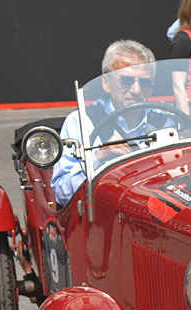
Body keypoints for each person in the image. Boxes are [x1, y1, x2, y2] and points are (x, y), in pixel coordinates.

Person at [51, 41, 158, 206]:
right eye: (126, 81)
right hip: (103, 218)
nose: (137, 90)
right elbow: (62, 194)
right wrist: (98, 158)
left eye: (145, 83)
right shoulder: (81, 122)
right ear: (106, 83)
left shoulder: (166, 121)